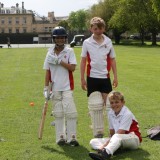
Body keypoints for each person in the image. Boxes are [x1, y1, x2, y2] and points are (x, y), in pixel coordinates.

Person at [80, 17, 118, 138]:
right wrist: (82, 79)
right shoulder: (87, 42)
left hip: (105, 77)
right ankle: (98, 131)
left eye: (100, 28)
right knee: (96, 105)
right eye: (95, 28)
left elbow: (112, 60)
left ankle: (113, 131)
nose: (98, 31)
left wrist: (115, 76)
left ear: (104, 28)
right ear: (91, 29)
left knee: (108, 105)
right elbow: (83, 61)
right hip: (92, 77)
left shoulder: (108, 41)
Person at [43, 26, 79, 146]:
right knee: (58, 113)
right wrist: (45, 88)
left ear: (65, 38)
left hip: (67, 87)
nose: (60, 40)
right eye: (57, 38)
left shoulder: (69, 51)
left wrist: (59, 61)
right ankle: (60, 137)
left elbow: (73, 68)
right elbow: (47, 71)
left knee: (71, 112)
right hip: (55, 88)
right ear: (54, 39)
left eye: (62, 37)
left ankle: (72, 138)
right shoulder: (49, 53)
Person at [89, 91, 142, 160]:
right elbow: (112, 132)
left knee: (116, 136)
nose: (114, 105)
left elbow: (120, 133)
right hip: (118, 138)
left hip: (134, 139)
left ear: (123, 103)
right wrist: (108, 142)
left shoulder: (127, 114)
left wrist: (103, 146)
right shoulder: (111, 113)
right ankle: (113, 148)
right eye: (112, 103)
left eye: (117, 102)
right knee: (93, 141)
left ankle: (105, 154)